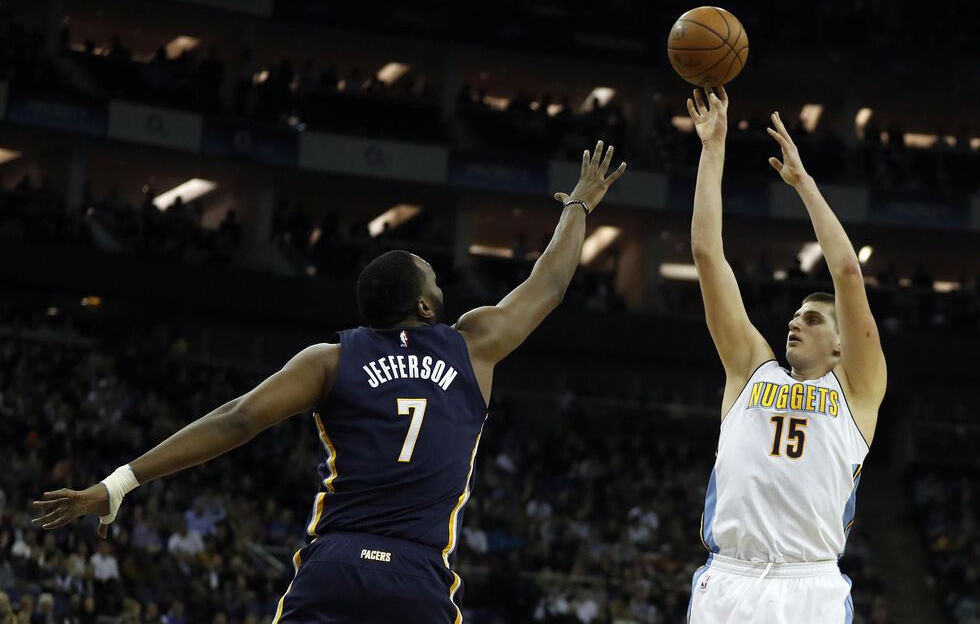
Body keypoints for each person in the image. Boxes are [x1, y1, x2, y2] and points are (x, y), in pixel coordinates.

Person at [32, 142, 627, 623]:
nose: (441, 287)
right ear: (424, 307)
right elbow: (549, 285)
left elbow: (237, 417)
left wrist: (120, 482)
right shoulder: (473, 346)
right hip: (418, 577)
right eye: (434, 280)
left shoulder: (331, 360)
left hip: (336, 565)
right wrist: (579, 204)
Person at [684, 87, 886, 623]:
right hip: (729, 580)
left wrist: (804, 184)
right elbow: (706, 253)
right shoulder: (750, 369)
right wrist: (713, 148)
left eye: (813, 319)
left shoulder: (857, 390)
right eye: (795, 315)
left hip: (809, 587)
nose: (795, 322)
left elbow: (847, 273)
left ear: (841, 344)